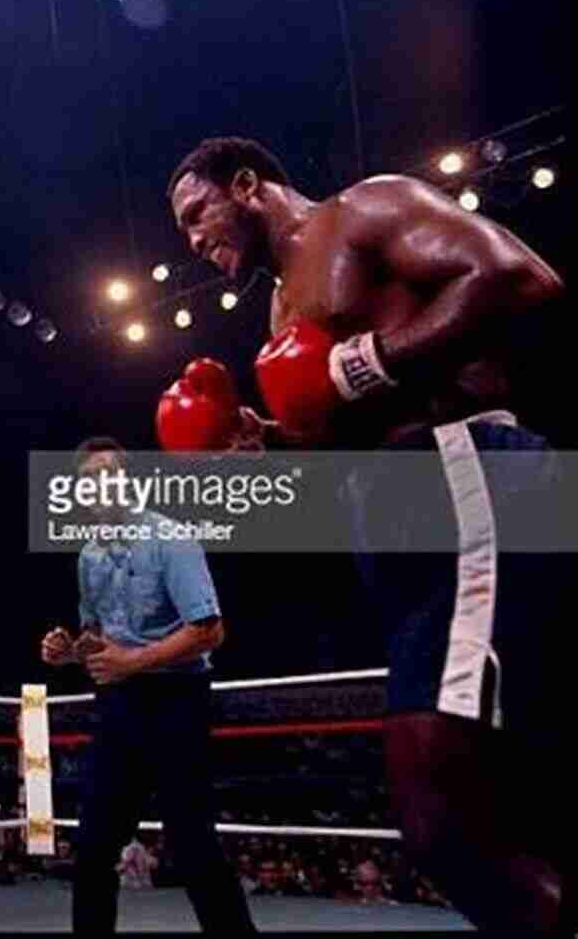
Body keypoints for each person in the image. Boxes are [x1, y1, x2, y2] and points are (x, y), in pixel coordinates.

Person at [167, 136, 569, 935]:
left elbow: (524, 277)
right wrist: (262, 440)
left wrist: (362, 365)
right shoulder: (279, 311)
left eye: (194, 212)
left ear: (247, 185)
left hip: (471, 482)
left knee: (438, 817)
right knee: (521, 810)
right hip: (415, 529)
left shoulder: (364, 210)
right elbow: (343, 438)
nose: (190, 237)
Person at [40, 437, 257, 935]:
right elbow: (98, 637)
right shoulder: (89, 556)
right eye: (88, 480)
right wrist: (69, 649)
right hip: (119, 705)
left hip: (177, 700)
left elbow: (209, 629)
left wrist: (134, 662)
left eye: (108, 475)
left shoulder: (171, 537)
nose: (99, 487)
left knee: (192, 844)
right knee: (93, 843)